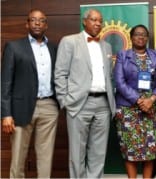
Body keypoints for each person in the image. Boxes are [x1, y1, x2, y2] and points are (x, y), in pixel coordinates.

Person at [54, 9, 116, 178]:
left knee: (98, 153)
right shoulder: (69, 41)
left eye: (100, 21)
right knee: (77, 153)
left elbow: (109, 75)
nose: (97, 23)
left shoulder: (107, 46)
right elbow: (60, 73)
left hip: (103, 104)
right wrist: (64, 100)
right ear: (84, 21)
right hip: (79, 103)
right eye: (93, 20)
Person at [1, 9, 59, 178]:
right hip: (20, 108)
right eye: (33, 20)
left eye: (41, 20)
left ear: (46, 25)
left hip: (49, 106)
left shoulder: (54, 48)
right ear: (27, 24)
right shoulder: (14, 47)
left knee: (46, 157)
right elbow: (5, 82)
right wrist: (6, 114)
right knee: (18, 156)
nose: (37, 23)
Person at [114, 24, 156, 178]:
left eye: (144, 34)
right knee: (130, 149)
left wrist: (151, 99)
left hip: (153, 109)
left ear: (147, 38)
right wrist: (139, 100)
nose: (141, 37)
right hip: (128, 110)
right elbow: (119, 82)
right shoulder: (123, 56)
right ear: (131, 37)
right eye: (137, 34)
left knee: (150, 150)